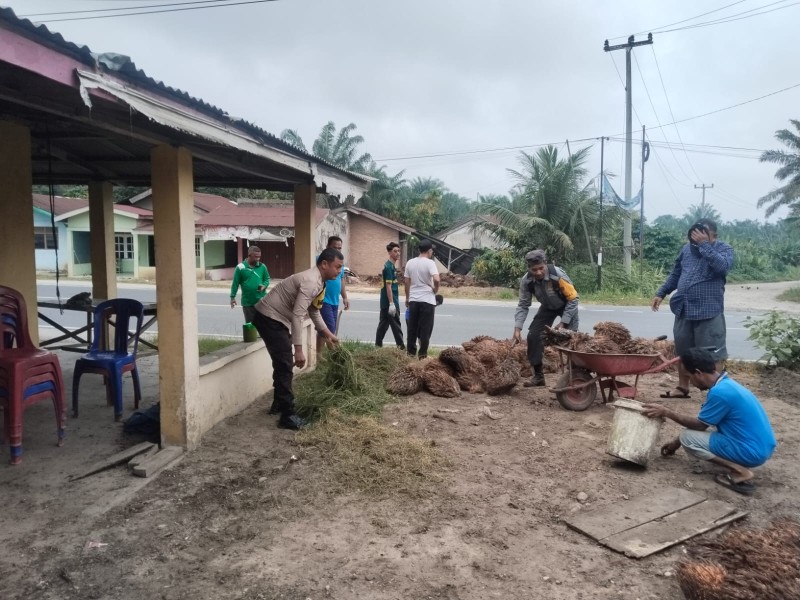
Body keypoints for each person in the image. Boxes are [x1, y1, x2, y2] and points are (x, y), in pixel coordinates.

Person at [643, 348, 775, 495]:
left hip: (751, 452)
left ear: (698, 373)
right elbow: (704, 424)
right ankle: (740, 463)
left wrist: (666, 412)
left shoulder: (720, 393)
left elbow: (700, 425)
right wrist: (675, 443)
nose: (691, 383)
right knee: (692, 433)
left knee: (688, 438)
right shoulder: (727, 384)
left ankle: (740, 471)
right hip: (762, 447)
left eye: (690, 377)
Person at [251, 248, 342, 430]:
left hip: (274, 319)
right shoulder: (311, 281)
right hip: (269, 318)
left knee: (282, 363)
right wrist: (298, 350)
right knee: (285, 364)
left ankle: (279, 404)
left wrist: (328, 335)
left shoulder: (319, 282)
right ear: (324, 264)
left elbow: (313, 311)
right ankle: (288, 416)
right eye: (337, 267)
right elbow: (298, 315)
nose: (339, 271)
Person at [651, 219, 734, 399]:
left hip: (709, 311)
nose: (696, 238)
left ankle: (716, 395)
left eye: (702, 234)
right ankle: (682, 388)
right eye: (694, 234)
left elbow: (722, 267)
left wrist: (704, 245)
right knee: (683, 352)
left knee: (713, 354)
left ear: (713, 235)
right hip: (684, 309)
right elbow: (676, 274)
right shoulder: (686, 250)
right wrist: (662, 292)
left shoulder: (723, 249)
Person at [512, 249, 579, 387]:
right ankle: (538, 377)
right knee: (533, 336)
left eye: (541, 268)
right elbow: (523, 305)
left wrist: (563, 322)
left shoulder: (558, 275)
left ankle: (575, 378)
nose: (538, 272)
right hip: (547, 308)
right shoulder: (527, 281)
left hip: (567, 306)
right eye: (534, 269)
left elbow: (573, 299)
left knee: (572, 341)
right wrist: (517, 328)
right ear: (529, 268)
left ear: (545, 264)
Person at [404, 239, 440, 358]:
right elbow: (437, 279)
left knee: (412, 328)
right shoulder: (430, 263)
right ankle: (422, 355)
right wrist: (435, 289)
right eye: (431, 250)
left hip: (414, 300)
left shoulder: (410, 262)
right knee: (425, 329)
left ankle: (410, 354)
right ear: (429, 251)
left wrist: (408, 298)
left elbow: (406, 282)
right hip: (427, 300)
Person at [317, 236, 349, 358]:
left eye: (339, 248)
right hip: (323, 300)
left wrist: (345, 297)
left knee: (324, 331)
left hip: (335, 301)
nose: (337, 250)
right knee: (329, 329)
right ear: (328, 247)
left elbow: (341, 280)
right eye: (334, 247)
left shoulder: (339, 263)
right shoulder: (320, 260)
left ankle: (319, 357)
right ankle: (336, 357)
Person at [375, 241, 405, 350]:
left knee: (383, 325)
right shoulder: (389, 267)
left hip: (385, 302)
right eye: (395, 251)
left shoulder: (391, 266)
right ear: (389, 253)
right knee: (396, 326)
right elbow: (388, 287)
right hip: (390, 302)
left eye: (399, 251)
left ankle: (377, 346)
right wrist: (392, 303)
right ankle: (402, 349)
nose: (398, 253)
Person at [230, 245, 270, 323]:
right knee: (250, 326)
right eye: (256, 257)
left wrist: (264, 286)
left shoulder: (262, 266)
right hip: (248, 303)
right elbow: (235, 283)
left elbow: (267, 279)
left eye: (259, 257)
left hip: (261, 301)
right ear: (249, 255)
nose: (258, 259)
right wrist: (232, 297)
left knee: (263, 325)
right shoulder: (240, 267)